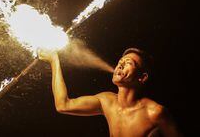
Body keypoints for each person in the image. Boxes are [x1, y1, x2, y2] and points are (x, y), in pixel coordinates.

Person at [38, 47, 181, 136]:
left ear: (142, 78)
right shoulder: (107, 101)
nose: (121, 64)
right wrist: (54, 60)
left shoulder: (155, 113)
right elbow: (63, 105)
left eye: (129, 63)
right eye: (121, 61)